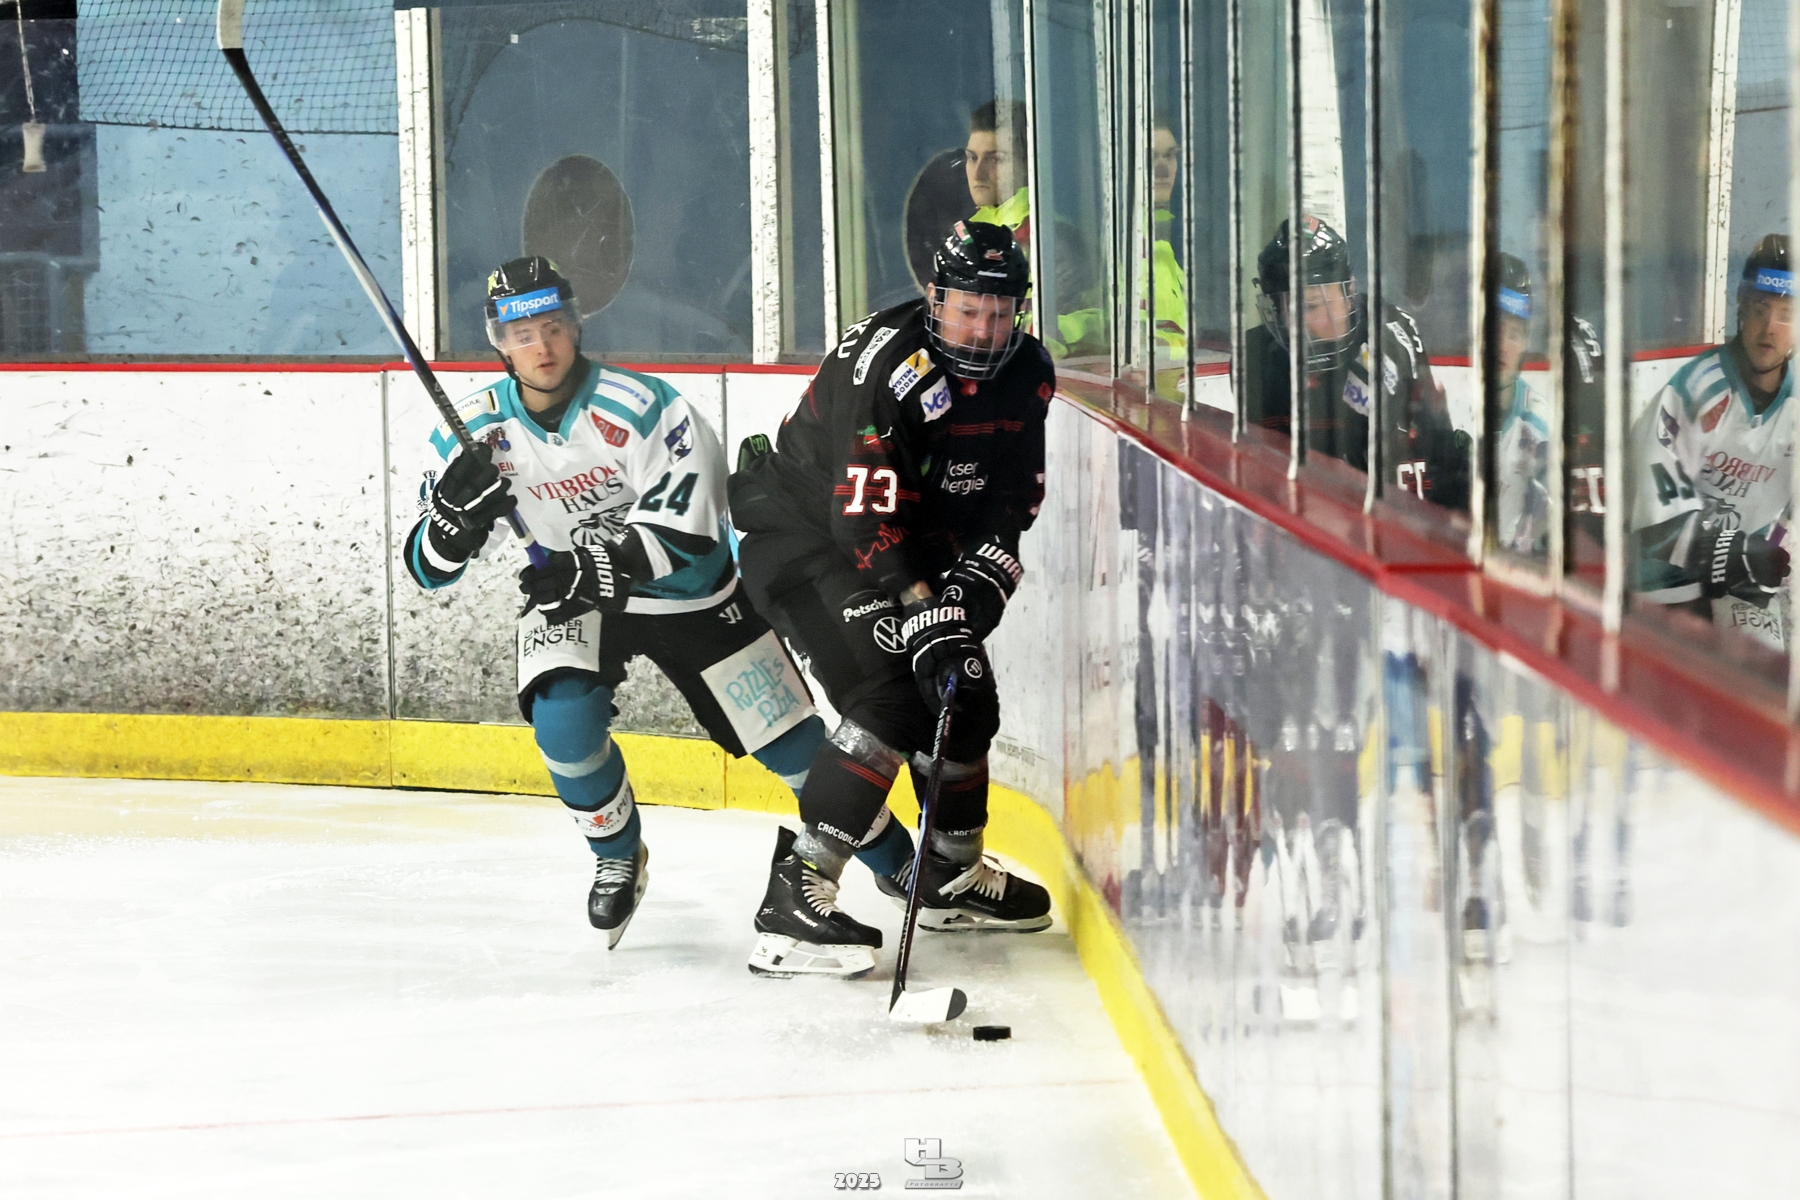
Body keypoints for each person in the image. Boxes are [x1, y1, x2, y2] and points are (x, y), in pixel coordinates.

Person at [402, 257, 829, 947]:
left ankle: (910, 868)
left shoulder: (645, 406)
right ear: (500, 343)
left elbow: (692, 534)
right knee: (562, 723)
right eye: (523, 335)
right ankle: (616, 856)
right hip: (573, 595)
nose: (542, 347)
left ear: (575, 326)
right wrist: (452, 523)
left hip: (691, 595)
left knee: (797, 751)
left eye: (552, 327)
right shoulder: (475, 431)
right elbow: (427, 568)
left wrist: (596, 565)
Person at [729, 221, 1056, 978]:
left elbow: (1012, 501)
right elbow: (862, 520)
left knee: (961, 687)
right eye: (968, 310)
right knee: (896, 692)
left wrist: (970, 592)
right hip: (808, 542)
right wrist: (920, 603)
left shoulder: (1029, 372)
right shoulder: (890, 369)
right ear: (934, 297)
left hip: (913, 546)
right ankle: (795, 894)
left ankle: (947, 877)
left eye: (1000, 312)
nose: (985, 330)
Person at [1631, 234, 1794, 651]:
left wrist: (1756, 556)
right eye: (1760, 308)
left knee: (1762, 676)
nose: (1769, 328)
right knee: (1670, 676)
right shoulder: (1693, 390)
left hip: (1746, 577)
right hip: (1668, 580)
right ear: (1740, 303)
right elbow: (1653, 526)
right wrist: (1733, 551)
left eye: (1786, 314)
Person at [1244, 215, 1469, 511]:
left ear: (1349, 294)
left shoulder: (1391, 336)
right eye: (1287, 307)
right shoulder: (1257, 360)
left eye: (1312, 305)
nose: (1300, 324)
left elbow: (1440, 459)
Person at [1492, 253, 1554, 555]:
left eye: (1515, 334)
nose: (1503, 346)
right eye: (1495, 330)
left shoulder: (1539, 423)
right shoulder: (1449, 408)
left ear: (1526, 342)